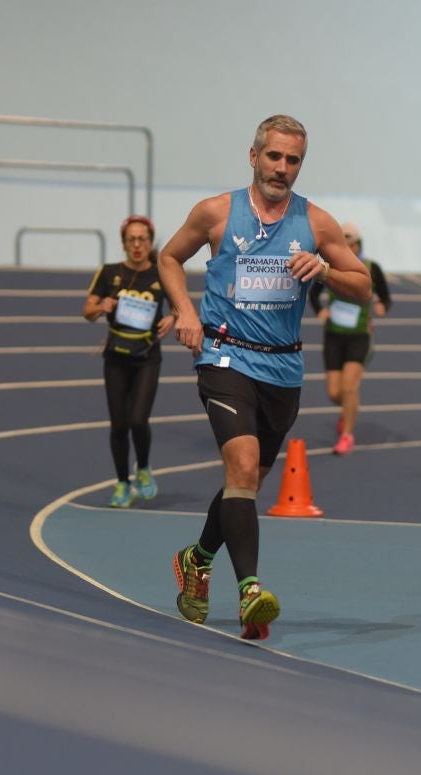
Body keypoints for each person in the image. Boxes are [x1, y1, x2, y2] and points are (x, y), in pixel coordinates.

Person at [158, 114, 372, 640]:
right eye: (273, 156)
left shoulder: (316, 223)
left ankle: (197, 558)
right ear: (252, 156)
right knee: (244, 464)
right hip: (225, 356)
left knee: (245, 482)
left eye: (292, 159)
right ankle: (251, 590)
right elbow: (169, 257)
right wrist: (185, 309)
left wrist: (323, 270)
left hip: (283, 366)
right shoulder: (215, 212)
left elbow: (364, 288)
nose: (281, 168)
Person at [83, 215, 176, 508]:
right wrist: (101, 306)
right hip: (116, 356)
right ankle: (123, 483)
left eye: (142, 239)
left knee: (138, 419)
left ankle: (144, 468)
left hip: (147, 355)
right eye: (131, 240)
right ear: (124, 243)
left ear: (150, 242)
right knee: (119, 425)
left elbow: (180, 305)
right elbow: (87, 310)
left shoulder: (162, 273)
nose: (137, 245)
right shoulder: (109, 273)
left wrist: (173, 317)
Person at [309, 221, 391, 455]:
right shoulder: (331, 267)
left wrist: (382, 305)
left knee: (349, 387)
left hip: (359, 337)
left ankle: (347, 435)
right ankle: (348, 410)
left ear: (358, 245)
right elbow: (314, 293)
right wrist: (320, 310)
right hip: (334, 336)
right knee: (334, 393)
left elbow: (385, 296)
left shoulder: (370, 267)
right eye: (345, 244)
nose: (350, 248)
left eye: (353, 244)